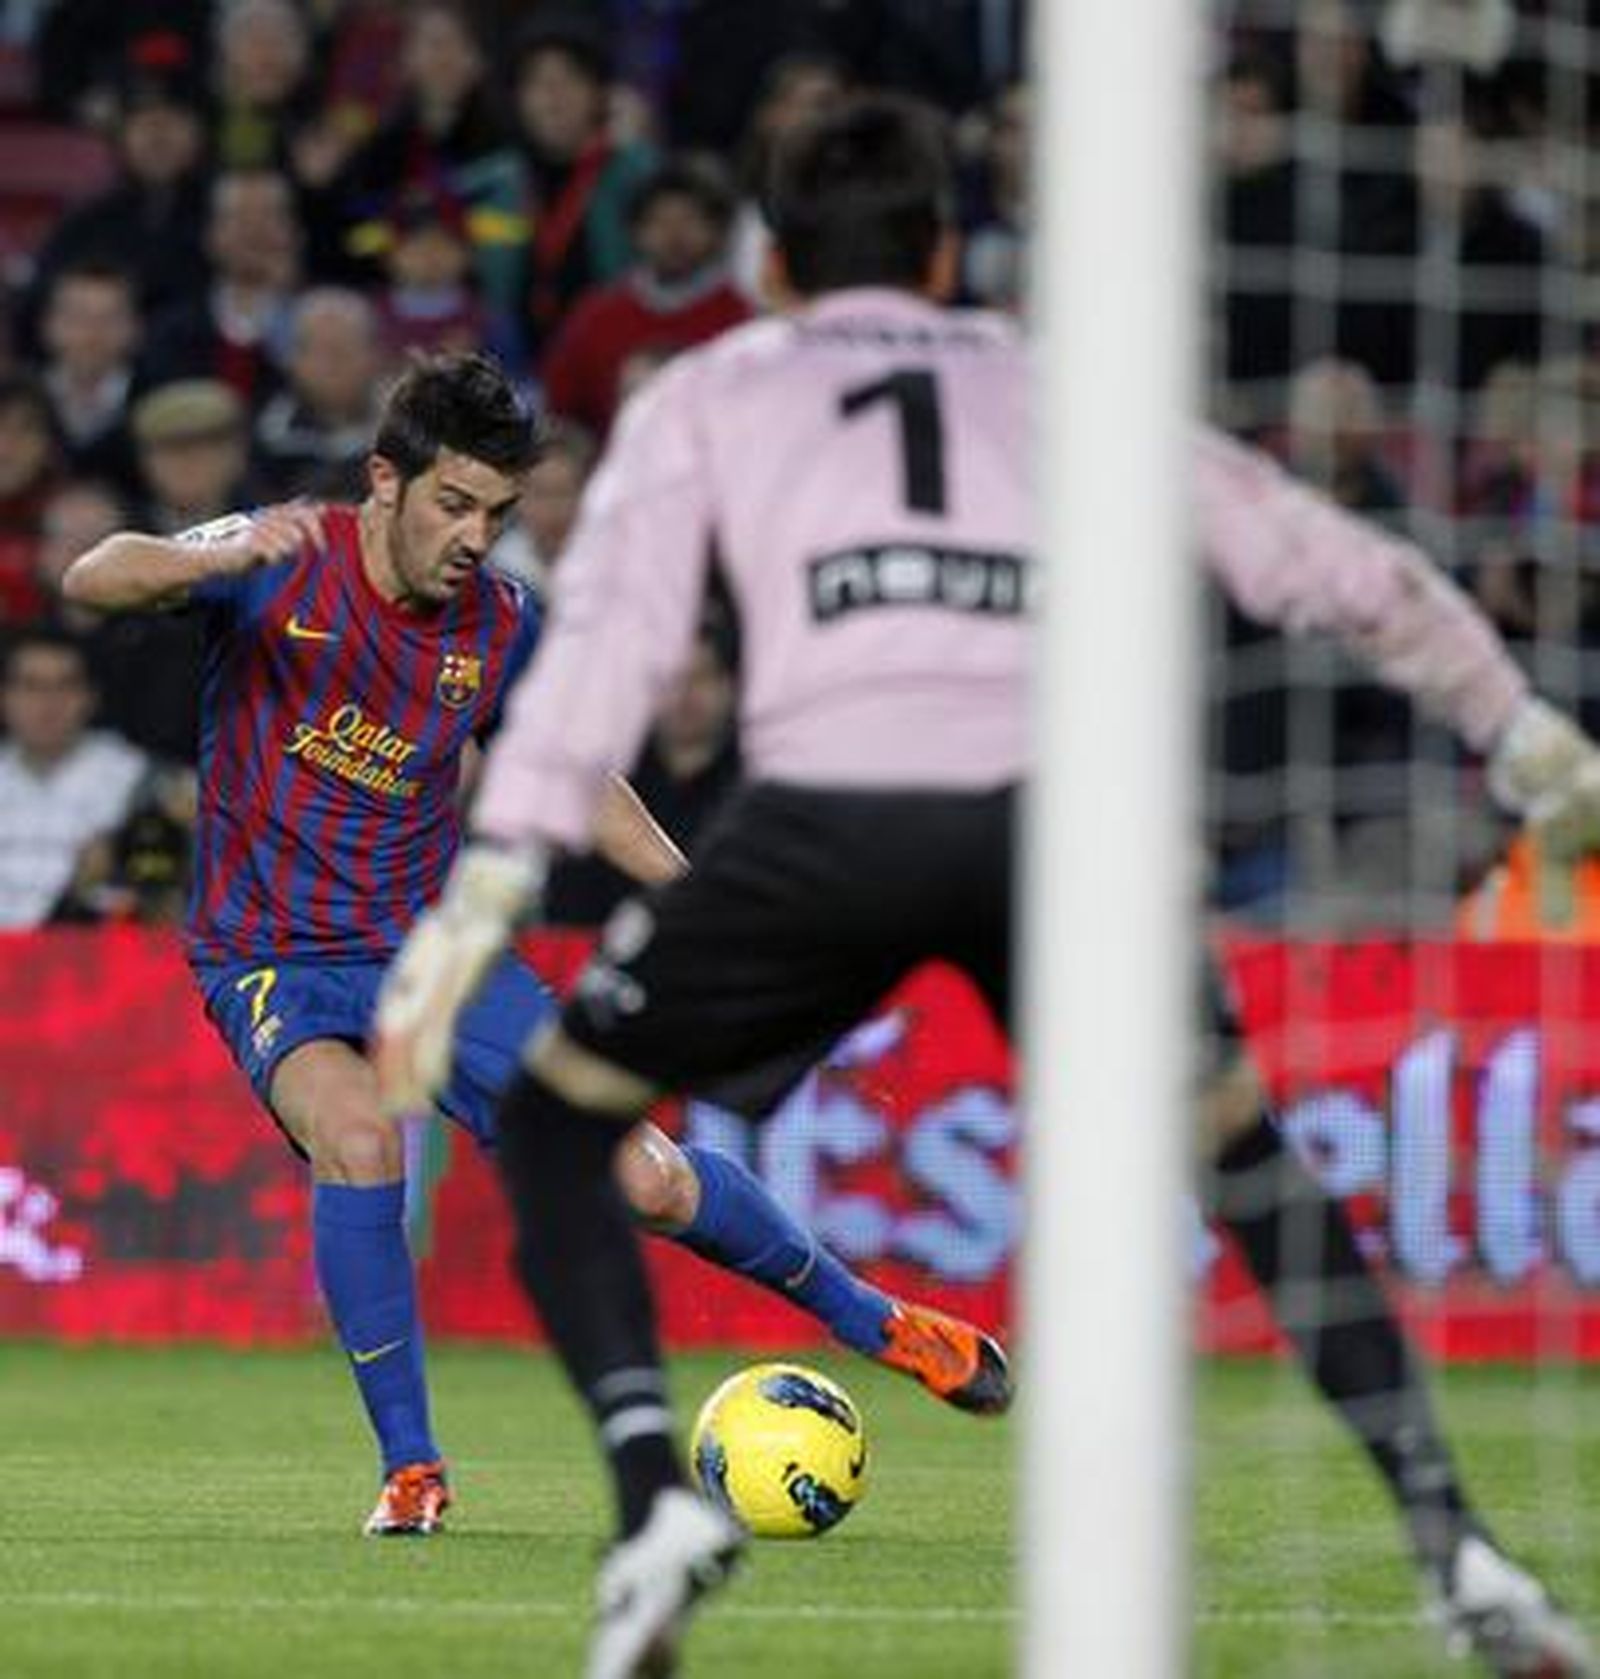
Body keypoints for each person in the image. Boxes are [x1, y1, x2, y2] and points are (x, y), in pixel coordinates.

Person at [374, 98, 1599, 1679]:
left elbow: (606, 655)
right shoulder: (1059, 384)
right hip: (1052, 833)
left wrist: (485, 886)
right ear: (946, 252)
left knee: (557, 1118)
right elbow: (1330, 564)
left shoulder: (713, 393)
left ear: (777, 269)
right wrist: (1523, 731)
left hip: (825, 821)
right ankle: (1461, 1547)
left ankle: (647, 1503)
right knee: (1244, 1165)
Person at [61, 349, 1009, 1542]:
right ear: (384, 483)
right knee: (358, 1135)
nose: (475, 535)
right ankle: (412, 1467)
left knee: (649, 1180)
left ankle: (877, 1321)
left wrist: (701, 892)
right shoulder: (281, 555)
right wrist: (211, 556)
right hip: (269, 957)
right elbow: (96, 577)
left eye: (497, 513)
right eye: (454, 504)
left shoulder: (498, 621)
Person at [0, 624, 150, 928]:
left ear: (90, 698)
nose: (48, 703)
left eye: (65, 686)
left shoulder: (138, 777)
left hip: (95, 962)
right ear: (5, 697)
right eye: (30, 685)